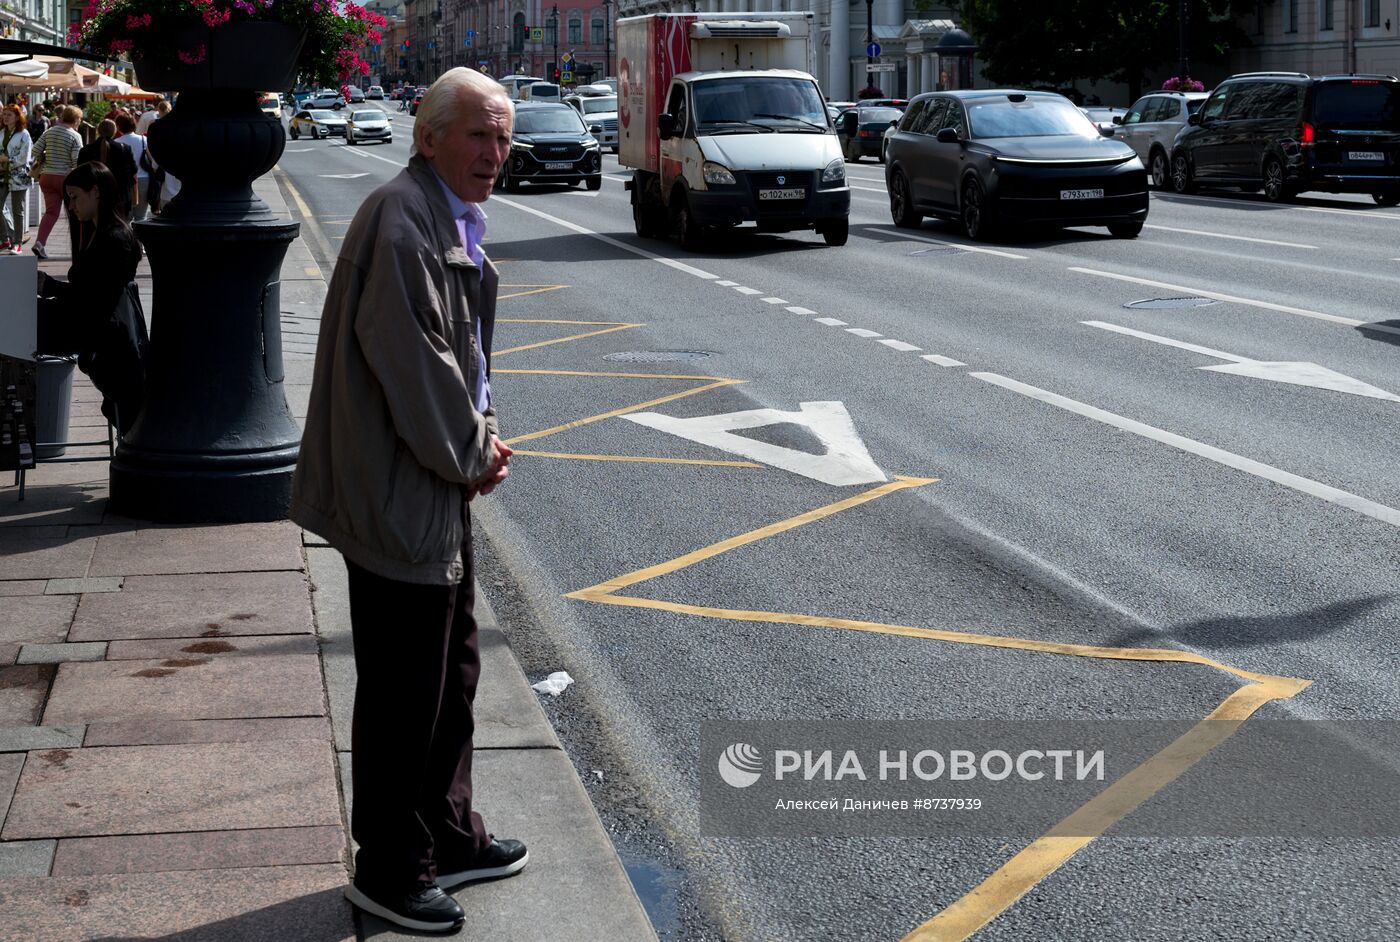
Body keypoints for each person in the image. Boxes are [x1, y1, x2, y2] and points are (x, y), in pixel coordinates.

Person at [290, 67, 526, 935]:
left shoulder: (442, 214)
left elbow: (464, 358)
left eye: (501, 136)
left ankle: (448, 833)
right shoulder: (403, 219)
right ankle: (391, 867)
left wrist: (479, 438)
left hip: (427, 485)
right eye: (478, 134)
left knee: (451, 671)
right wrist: (472, 452)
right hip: (397, 493)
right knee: (404, 691)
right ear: (428, 138)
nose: (495, 153)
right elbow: (416, 365)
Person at [35, 161, 146, 434]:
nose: (71, 207)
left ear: (95, 191)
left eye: (74, 197)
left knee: (12, 328)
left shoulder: (114, 238)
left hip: (97, 335)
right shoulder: (103, 233)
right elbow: (91, 295)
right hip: (94, 329)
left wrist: (49, 287)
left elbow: (93, 300)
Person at [29, 104, 83, 259]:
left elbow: (35, 151)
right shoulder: (74, 136)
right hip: (64, 178)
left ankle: (40, 243)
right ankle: (78, 247)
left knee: (51, 212)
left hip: (46, 177)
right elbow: (76, 160)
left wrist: (47, 157)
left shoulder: (49, 131)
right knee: (74, 212)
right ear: (75, 119)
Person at [79, 118, 139, 219]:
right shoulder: (124, 148)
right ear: (115, 131)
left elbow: (80, 175)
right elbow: (133, 172)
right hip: (119, 197)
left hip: (93, 197)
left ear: (98, 130)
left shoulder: (85, 150)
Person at [0, 104, 32, 254]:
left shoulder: (24, 134)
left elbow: (24, 158)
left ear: (18, 117)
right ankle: (5, 238)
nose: (5, 117)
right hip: (1, 175)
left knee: (17, 210)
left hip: (18, 176)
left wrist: (7, 162)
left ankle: (17, 242)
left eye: (9, 115)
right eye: (4, 114)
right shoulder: (1, 132)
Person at [112, 111, 149, 222]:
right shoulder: (144, 140)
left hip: (124, 183)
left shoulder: (116, 142)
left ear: (118, 126)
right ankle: (139, 239)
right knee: (141, 217)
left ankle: (127, 239)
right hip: (144, 179)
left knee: (124, 219)